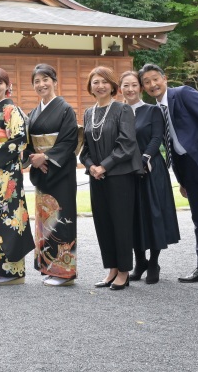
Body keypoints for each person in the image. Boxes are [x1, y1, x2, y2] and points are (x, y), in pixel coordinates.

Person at [139, 63, 198, 291]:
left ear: (165, 78)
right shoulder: (156, 110)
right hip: (187, 170)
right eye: (147, 82)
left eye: (155, 79)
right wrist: (181, 180)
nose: (153, 85)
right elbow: (170, 144)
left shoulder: (183, 94)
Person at [80, 66, 143, 291]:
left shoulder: (122, 110)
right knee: (103, 223)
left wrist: (104, 166)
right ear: (90, 87)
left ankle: (124, 271)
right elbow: (84, 149)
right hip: (97, 177)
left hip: (119, 175)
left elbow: (127, 143)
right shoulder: (88, 113)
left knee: (121, 223)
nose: (100, 85)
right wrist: (92, 167)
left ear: (112, 85)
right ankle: (112, 268)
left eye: (105, 81)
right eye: (95, 82)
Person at [119, 71, 180, 284]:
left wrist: (145, 157)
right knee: (133, 217)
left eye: (134, 85)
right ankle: (140, 262)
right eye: (126, 85)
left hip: (151, 169)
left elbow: (156, 138)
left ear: (141, 88)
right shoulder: (119, 111)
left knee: (153, 215)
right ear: (120, 89)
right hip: (127, 172)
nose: (130, 89)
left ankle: (153, 262)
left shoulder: (152, 110)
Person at [25, 64, 80, 287]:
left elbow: (69, 141)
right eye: (37, 81)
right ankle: (49, 267)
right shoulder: (33, 113)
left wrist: (46, 158)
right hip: (42, 173)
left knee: (62, 220)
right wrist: (33, 157)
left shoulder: (65, 109)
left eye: (45, 79)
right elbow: (27, 142)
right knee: (45, 222)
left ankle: (65, 272)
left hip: (60, 172)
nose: (41, 85)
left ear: (55, 81)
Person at [0, 67, 35, 285]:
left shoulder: (11, 110)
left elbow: (20, 139)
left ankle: (14, 271)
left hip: (6, 173)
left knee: (9, 216)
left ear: (7, 86)